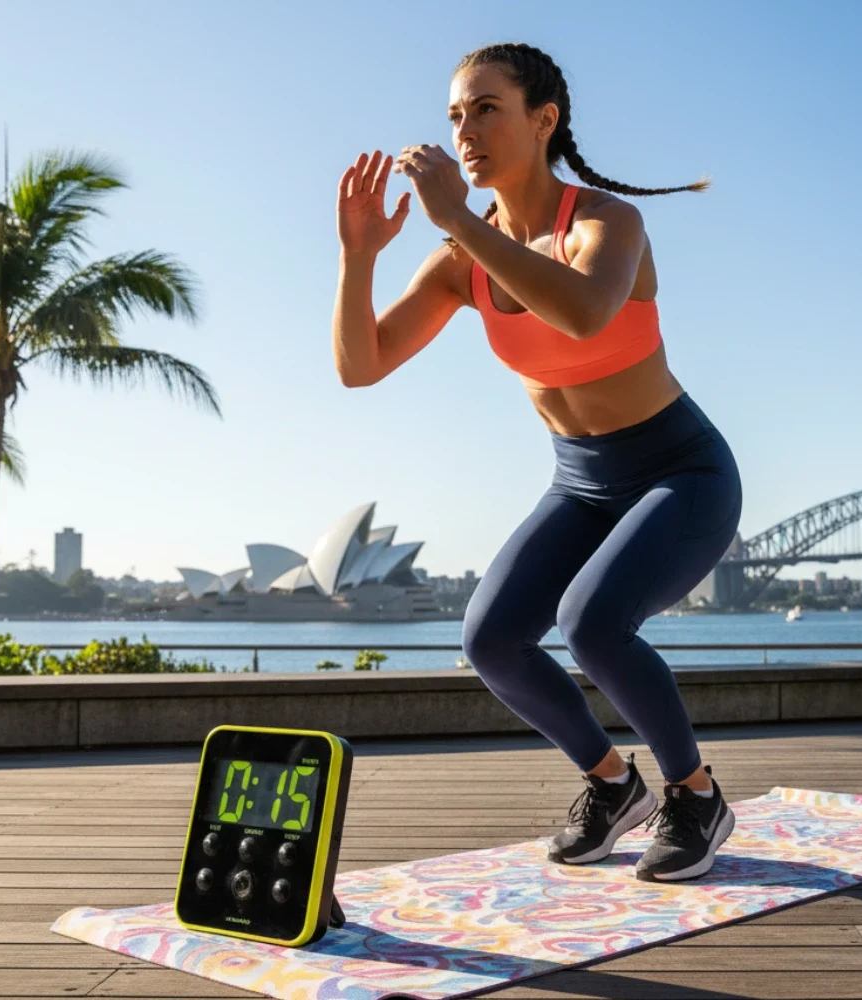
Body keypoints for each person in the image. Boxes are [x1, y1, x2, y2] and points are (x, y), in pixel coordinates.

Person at [332, 42, 742, 882]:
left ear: (543, 119)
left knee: (592, 622)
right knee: (490, 638)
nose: (465, 131)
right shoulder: (462, 259)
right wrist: (359, 254)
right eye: (455, 114)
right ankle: (612, 785)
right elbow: (360, 365)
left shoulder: (605, 223)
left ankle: (696, 796)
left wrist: (460, 222)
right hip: (580, 481)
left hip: (682, 472)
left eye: (487, 109)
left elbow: (585, 314)